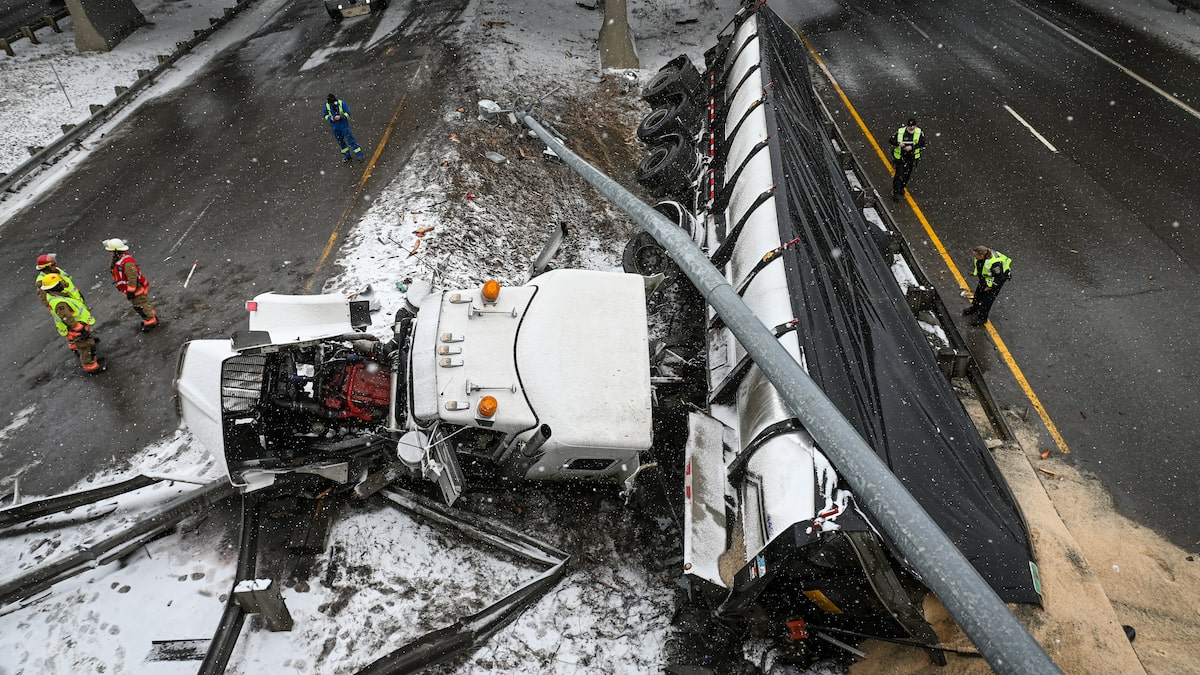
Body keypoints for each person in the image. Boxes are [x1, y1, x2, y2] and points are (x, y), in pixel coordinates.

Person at [43, 273, 103, 373]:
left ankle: (93, 360)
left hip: (79, 328)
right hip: (77, 329)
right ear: (56, 286)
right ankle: (91, 367)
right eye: (60, 282)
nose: (63, 283)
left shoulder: (56, 297)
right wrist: (78, 327)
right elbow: (66, 317)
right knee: (85, 347)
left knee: (88, 344)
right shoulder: (59, 303)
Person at [103, 238, 159, 331]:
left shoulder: (127, 263)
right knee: (143, 304)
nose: (110, 253)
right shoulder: (119, 260)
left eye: (111, 252)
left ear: (117, 252)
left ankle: (151, 321)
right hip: (133, 290)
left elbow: (132, 278)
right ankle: (151, 315)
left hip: (136, 290)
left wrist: (131, 291)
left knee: (141, 306)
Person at [963, 245, 1012, 326]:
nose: (974, 257)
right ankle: (975, 308)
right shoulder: (982, 258)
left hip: (996, 280)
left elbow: (999, 277)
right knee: (978, 293)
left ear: (981, 255)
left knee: (987, 300)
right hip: (986, 278)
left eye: (976, 256)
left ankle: (982, 318)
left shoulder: (994, 263)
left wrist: (991, 286)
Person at [889, 118, 926, 201]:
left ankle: (902, 187)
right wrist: (898, 144)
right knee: (899, 175)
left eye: (913, 126)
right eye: (910, 126)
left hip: (911, 158)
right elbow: (891, 140)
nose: (912, 128)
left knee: (907, 175)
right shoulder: (901, 132)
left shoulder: (919, 133)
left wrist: (912, 147)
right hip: (900, 157)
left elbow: (922, 143)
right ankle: (896, 192)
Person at [324, 94, 365, 163]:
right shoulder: (327, 106)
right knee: (341, 142)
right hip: (335, 127)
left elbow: (348, 113)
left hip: (344, 125)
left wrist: (341, 117)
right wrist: (331, 118)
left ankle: (359, 155)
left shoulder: (341, 103)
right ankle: (347, 156)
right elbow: (325, 115)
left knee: (350, 140)